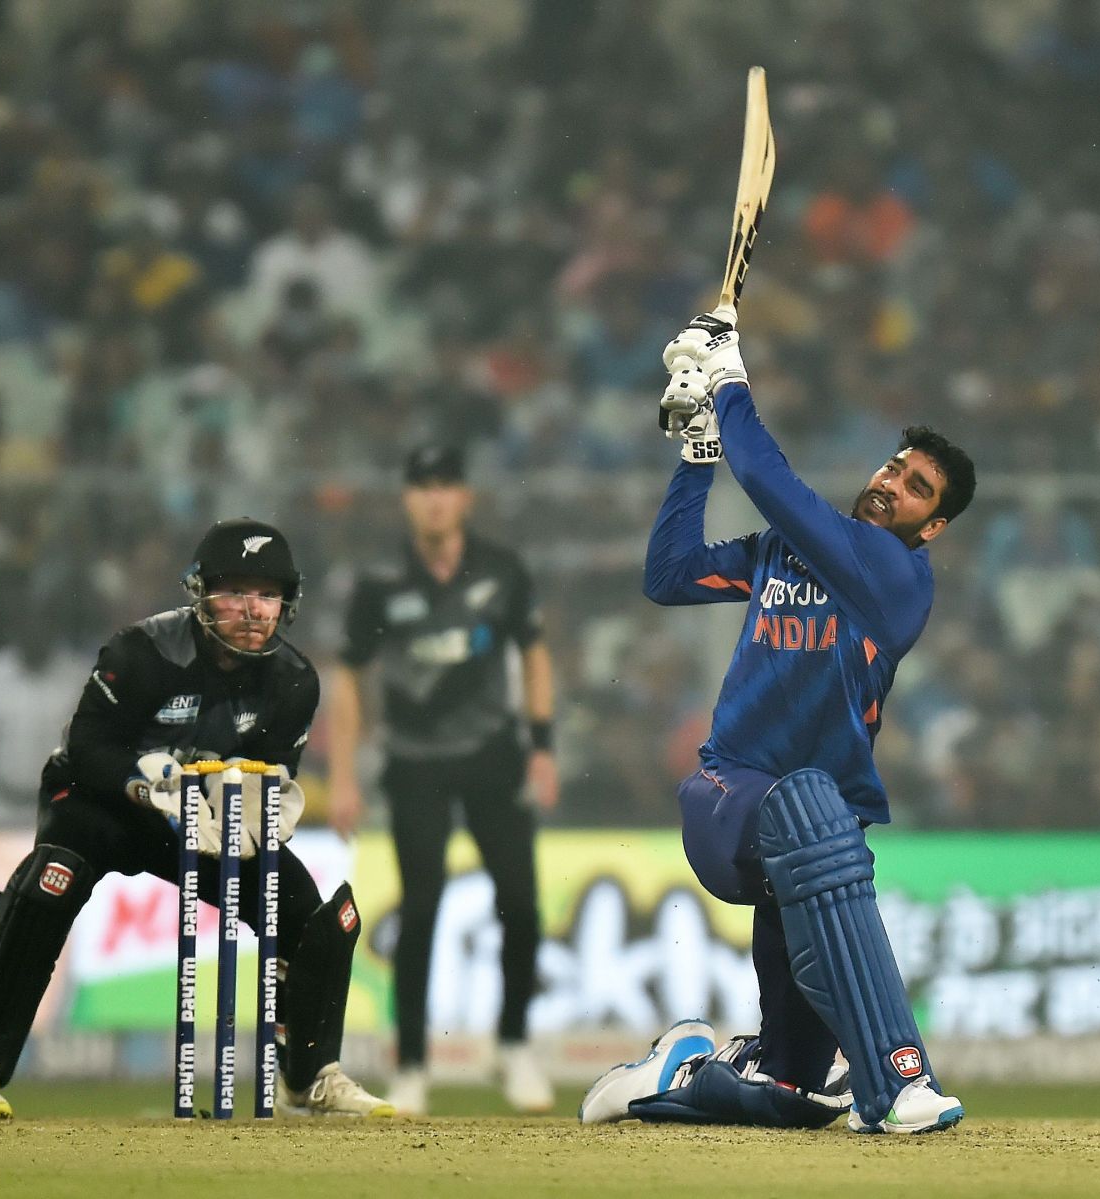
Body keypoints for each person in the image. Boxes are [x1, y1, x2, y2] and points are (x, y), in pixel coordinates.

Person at [579, 308, 976, 1134]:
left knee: (798, 1089)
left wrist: (727, 383)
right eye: (894, 466)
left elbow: (765, 478)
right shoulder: (784, 550)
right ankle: (901, 1077)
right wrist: (695, 457)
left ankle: (679, 1071)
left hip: (810, 858)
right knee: (812, 804)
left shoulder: (894, 578)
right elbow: (669, 574)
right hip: (730, 798)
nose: (890, 482)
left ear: (931, 527)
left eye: (915, 488)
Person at [0, 517, 393, 1119]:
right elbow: (87, 749)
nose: (253, 610)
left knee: (314, 913)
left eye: (267, 594)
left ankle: (309, 1078)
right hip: (102, 806)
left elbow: (271, 774)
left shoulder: (294, 682)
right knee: (48, 883)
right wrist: (142, 783)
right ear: (201, 594)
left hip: (203, 822)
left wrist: (259, 815)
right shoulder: (143, 651)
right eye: (236, 591)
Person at [327, 444, 560, 1116]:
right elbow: (349, 674)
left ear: (466, 497)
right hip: (414, 762)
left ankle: (513, 1045)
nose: (434, 497)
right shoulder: (379, 581)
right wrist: (343, 773)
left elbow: (535, 653)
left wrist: (542, 746)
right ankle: (412, 1064)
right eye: (422, 485)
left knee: (520, 903)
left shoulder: (502, 570)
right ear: (407, 498)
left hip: (494, 755)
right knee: (421, 911)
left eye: (446, 485)